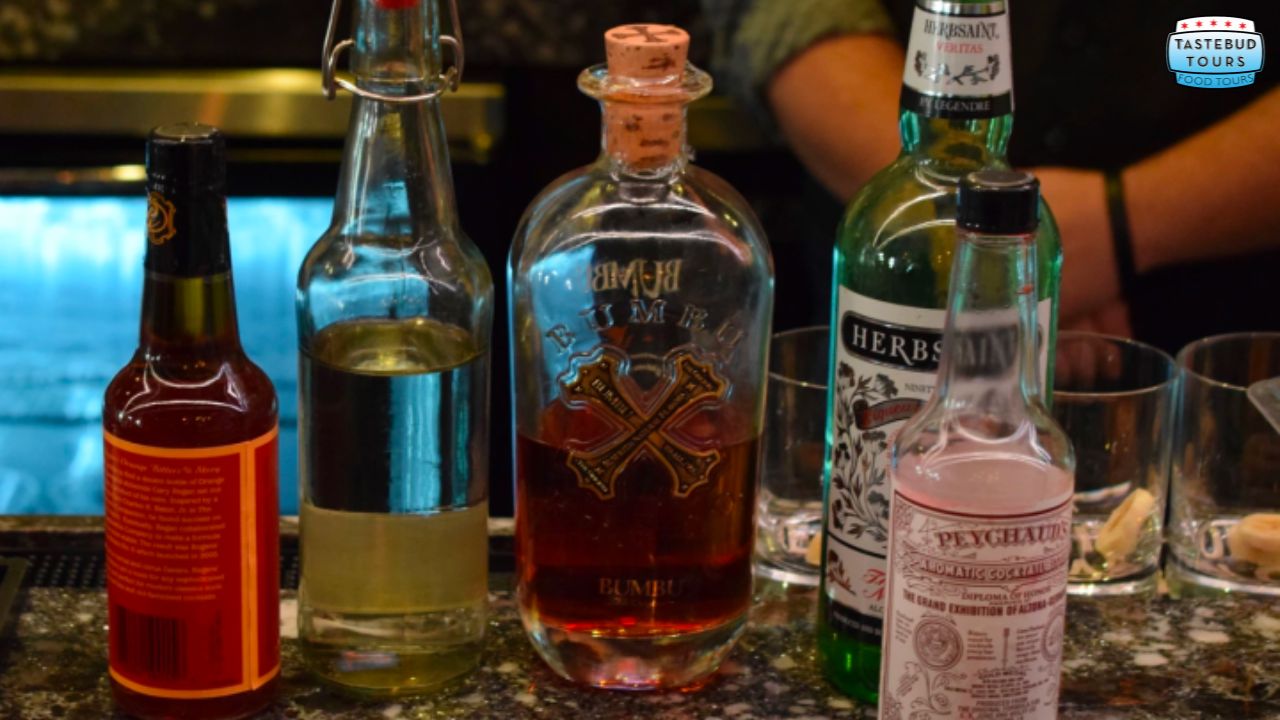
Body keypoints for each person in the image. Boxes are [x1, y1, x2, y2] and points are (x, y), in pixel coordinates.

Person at [701, 0, 1280, 352]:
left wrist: (1116, 229)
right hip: (909, 296)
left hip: (1228, 339)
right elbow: (790, 14)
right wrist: (980, 240)